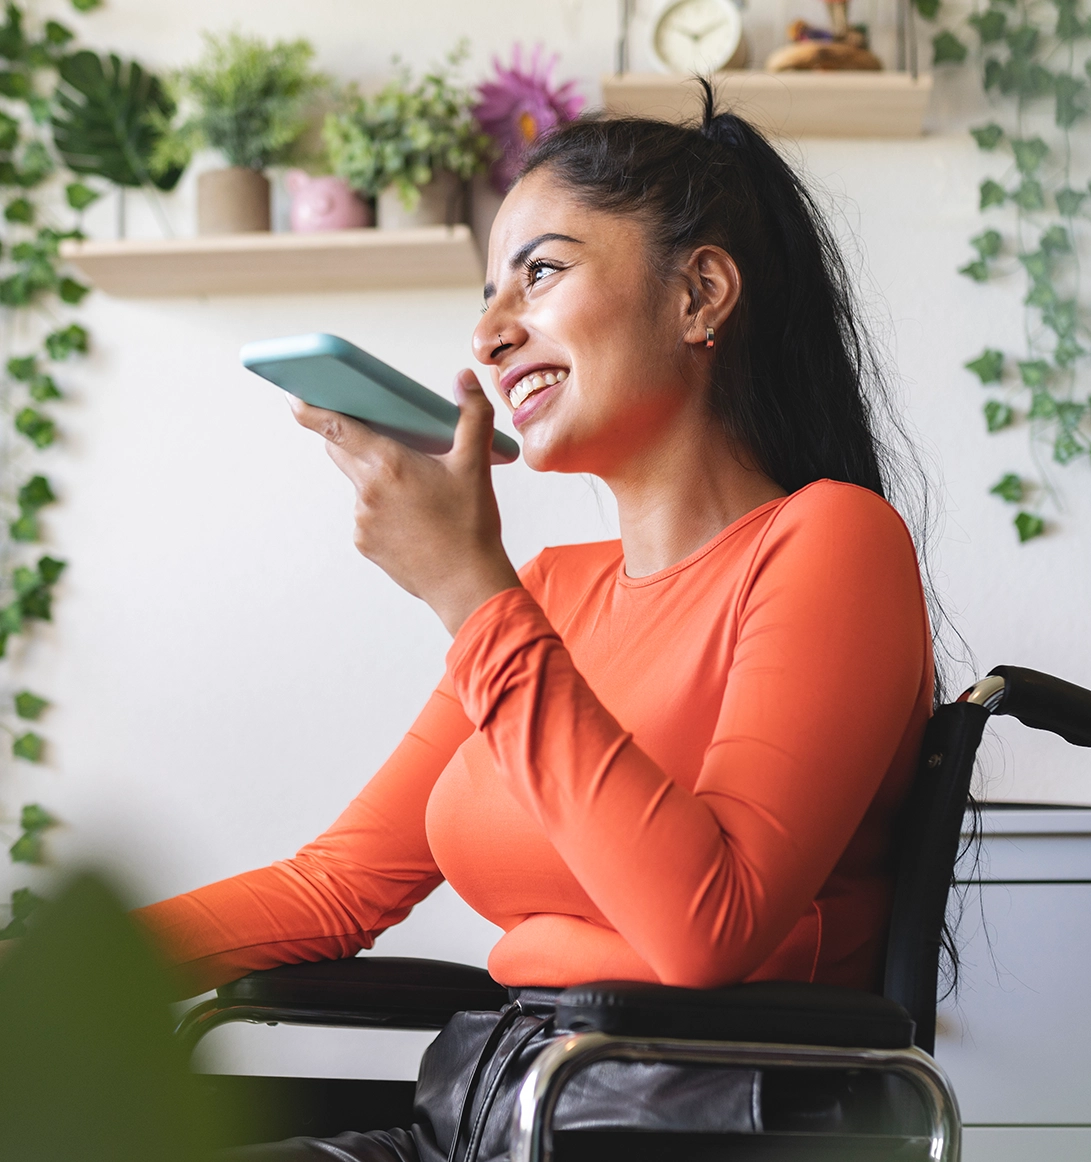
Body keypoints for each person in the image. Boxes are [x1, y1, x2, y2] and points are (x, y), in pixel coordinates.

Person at [138, 86, 937, 1162]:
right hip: (479, 1115)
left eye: (542, 271)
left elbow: (708, 928)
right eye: (488, 290)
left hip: (679, 1130)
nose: (490, 331)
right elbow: (334, 889)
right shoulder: (550, 593)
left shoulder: (832, 542)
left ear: (700, 293)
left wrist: (469, 591)